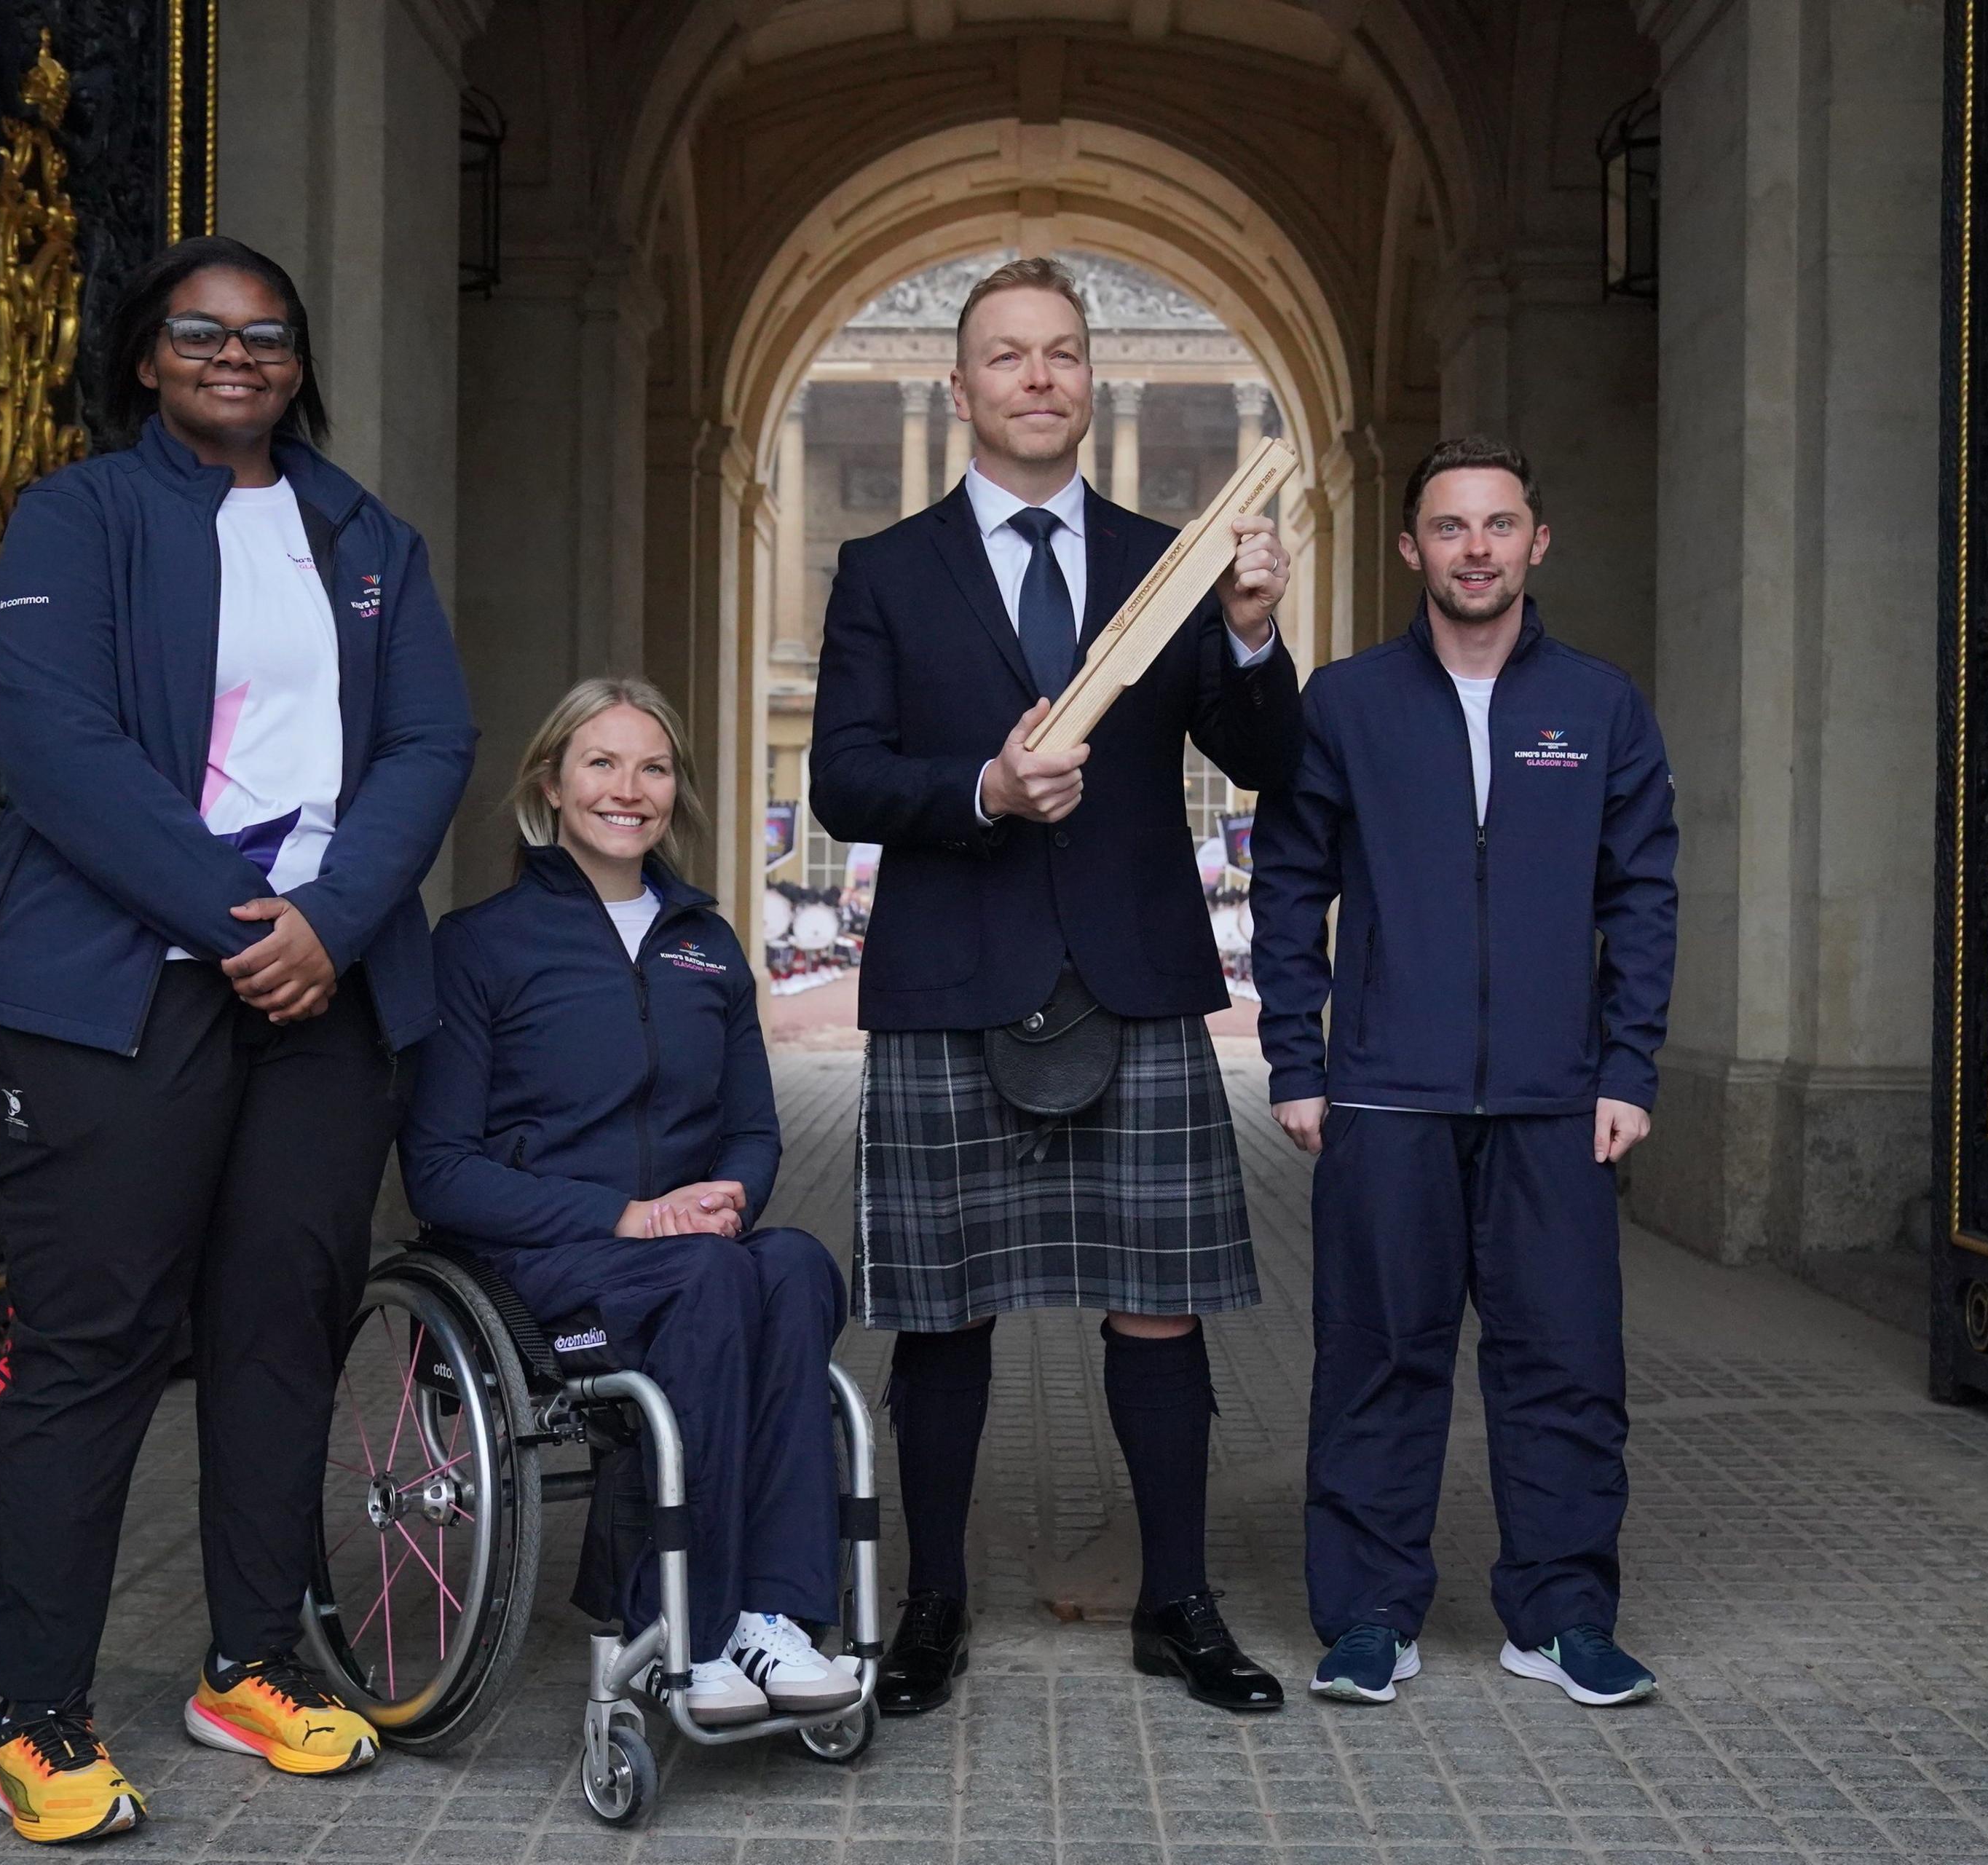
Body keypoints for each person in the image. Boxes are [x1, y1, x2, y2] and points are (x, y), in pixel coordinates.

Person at [0, 236, 476, 1842]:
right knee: (91, 1348)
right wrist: (251, 919)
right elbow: (58, 744)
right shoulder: (78, 517)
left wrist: (334, 921)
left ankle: (250, 1660)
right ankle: (34, 1719)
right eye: (200, 333)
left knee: (279, 1336)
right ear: (145, 359)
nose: (236, 355)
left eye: (267, 335)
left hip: (326, 1001)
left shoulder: (364, 536)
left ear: (300, 362)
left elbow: (432, 738)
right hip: (119, 996)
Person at [810, 257, 1303, 1716]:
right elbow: (843, 779)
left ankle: (1179, 1602)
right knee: (940, 1316)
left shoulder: (1178, 559)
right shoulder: (886, 571)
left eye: (1064, 354)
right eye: (1010, 356)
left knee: (1161, 1310)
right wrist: (980, 788)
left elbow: (1269, 760)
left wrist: (1256, 632)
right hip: (952, 977)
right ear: (957, 390)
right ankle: (932, 1605)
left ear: (1090, 381)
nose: (1041, 376)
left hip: (1135, 973)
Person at [1251, 436, 1677, 1708]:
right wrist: (1297, 1057)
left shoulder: (1599, 707)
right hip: (1387, 1095)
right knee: (1380, 1360)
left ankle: (1560, 1613)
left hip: (1557, 1100)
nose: (1476, 548)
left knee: (1566, 1363)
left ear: (1538, 542)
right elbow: (1288, 882)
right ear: (1410, 550)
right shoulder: (1345, 702)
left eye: (1499, 524)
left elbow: (1644, 894)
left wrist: (1629, 1063)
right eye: (1450, 527)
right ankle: (1370, 1615)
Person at [400, 678, 856, 1729]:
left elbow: (753, 1128)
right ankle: (682, 1636)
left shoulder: (706, 943)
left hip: (692, 1262)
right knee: (709, 1280)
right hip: (544, 1269)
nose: (628, 789)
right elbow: (440, 1168)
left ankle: (775, 1617)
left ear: (674, 794)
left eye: (652, 767)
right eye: (601, 763)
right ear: (552, 785)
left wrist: (732, 1197)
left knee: (790, 1265)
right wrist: (628, 1217)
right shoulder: (481, 945)